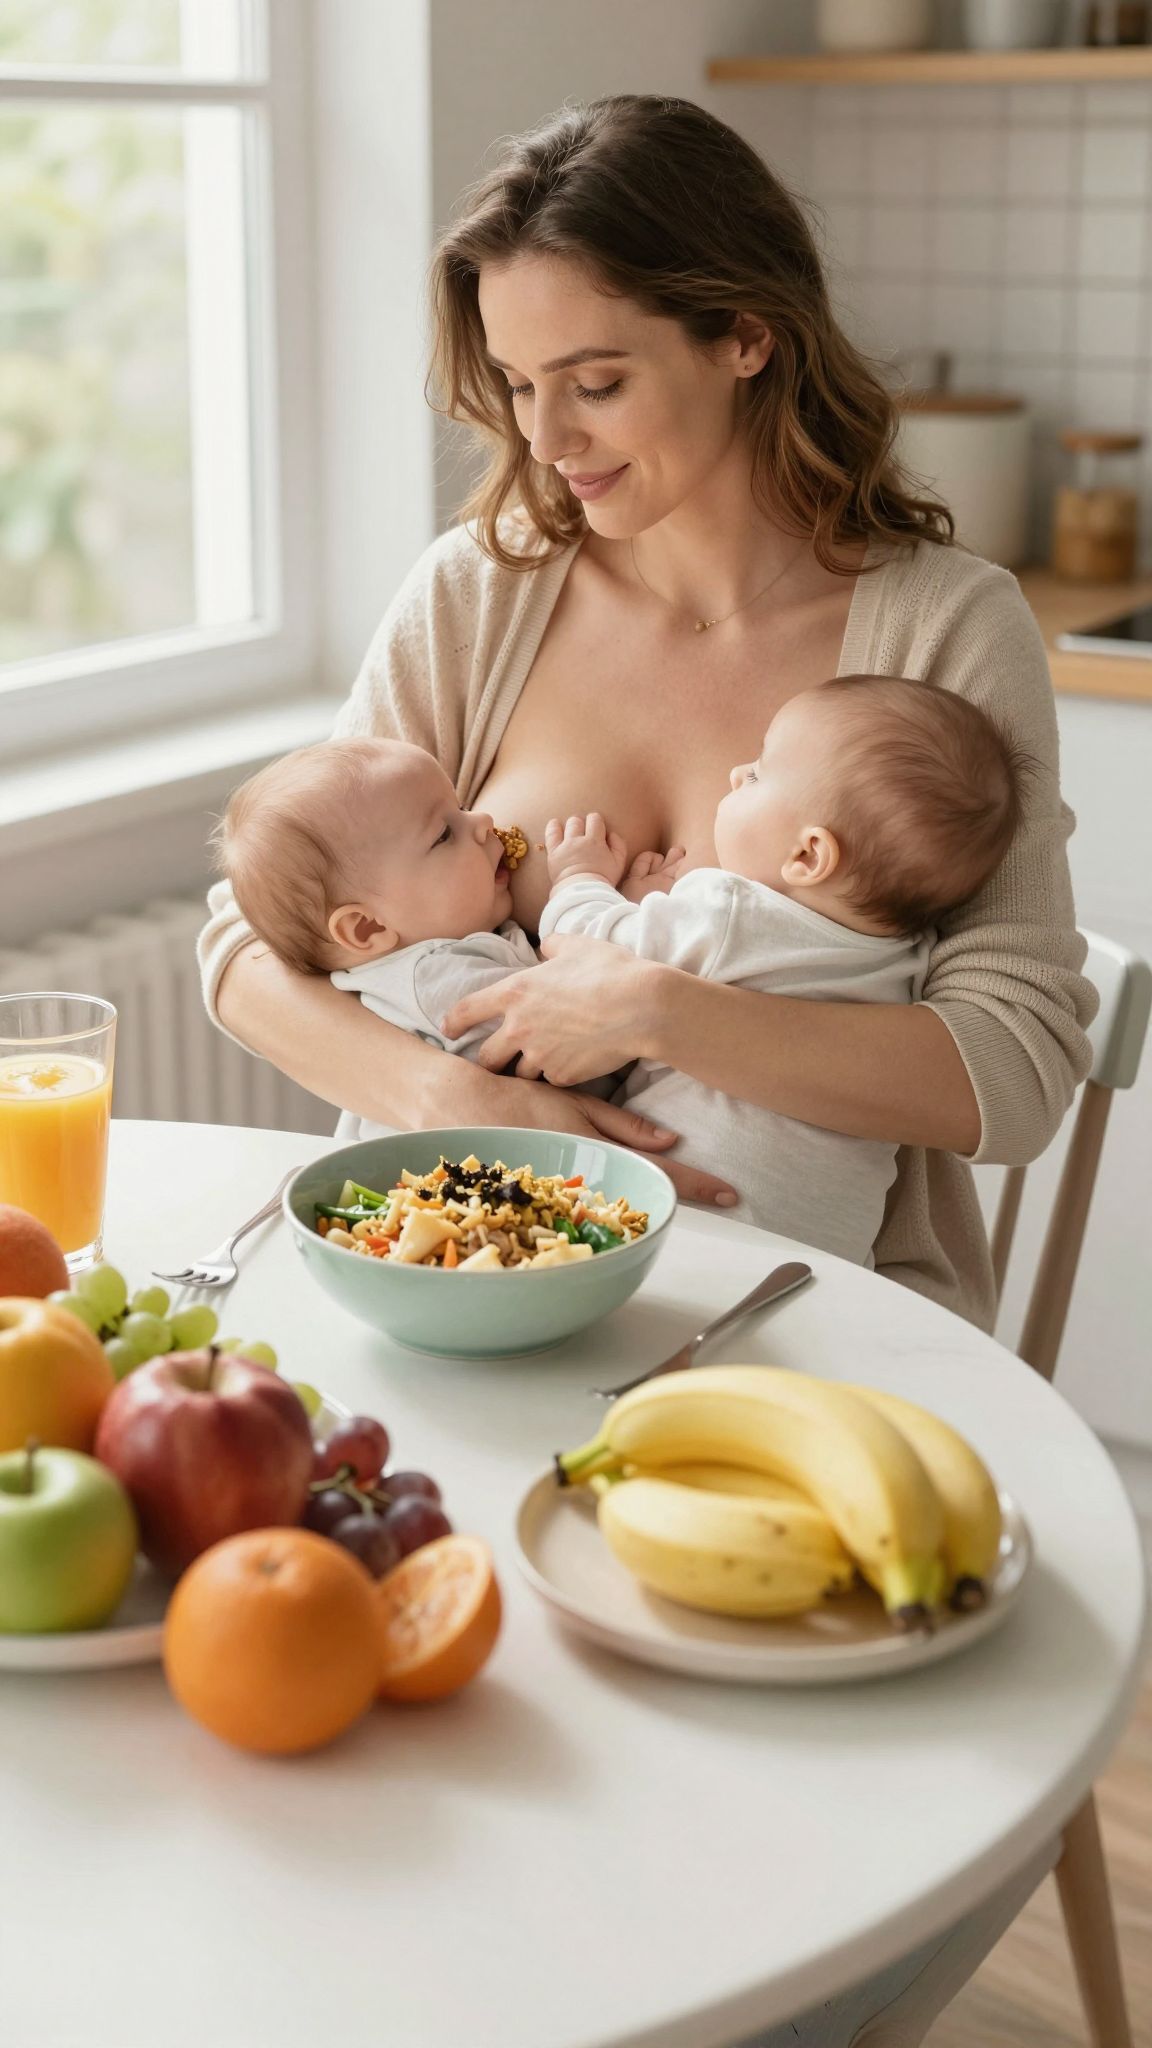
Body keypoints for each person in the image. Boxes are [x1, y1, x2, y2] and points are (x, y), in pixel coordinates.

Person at [199, 94, 1089, 2039]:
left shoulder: (943, 629)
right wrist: (462, 1101)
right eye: (518, 389)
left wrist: (656, 1011)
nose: (551, 441)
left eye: (595, 380)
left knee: (701, 1859)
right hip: (447, 1286)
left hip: (802, 1319)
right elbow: (244, 947)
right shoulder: (480, 593)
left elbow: (1017, 1070)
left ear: (744, 333)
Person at [537, 674, 1025, 1257]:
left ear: (808, 855)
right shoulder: (909, 956)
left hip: (683, 1211)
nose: (735, 773)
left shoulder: (730, 911)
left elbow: (584, 948)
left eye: (758, 774)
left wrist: (581, 878)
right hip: (832, 1248)